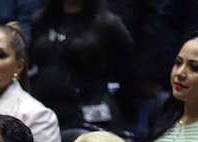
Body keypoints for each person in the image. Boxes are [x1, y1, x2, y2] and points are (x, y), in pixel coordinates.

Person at [29, 0, 139, 131]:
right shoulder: (40, 20)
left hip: (92, 112)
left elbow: (128, 76)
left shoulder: (109, 24)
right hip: (47, 111)